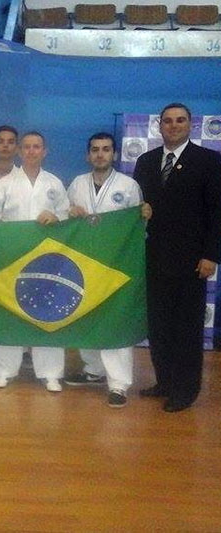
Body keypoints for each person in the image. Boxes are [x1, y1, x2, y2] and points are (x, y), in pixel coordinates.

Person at [134, 103, 221, 412]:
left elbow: (217, 212)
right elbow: (136, 207)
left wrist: (211, 255)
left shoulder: (209, 161)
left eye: (180, 120)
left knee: (186, 328)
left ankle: (185, 391)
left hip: (191, 261)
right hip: (153, 258)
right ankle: (165, 381)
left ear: (190, 125)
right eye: (168, 121)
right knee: (159, 326)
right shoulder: (145, 162)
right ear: (159, 126)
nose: (173, 125)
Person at [0, 131, 69, 392]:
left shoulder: (54, 183)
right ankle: (3, 370)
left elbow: (67, 215)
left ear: (44, 151)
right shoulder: (5, 184)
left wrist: (58, 217)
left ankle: (50, 373)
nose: (31, 151)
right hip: (11, 257)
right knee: (9, 311)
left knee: (47, 312)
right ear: (19, 151)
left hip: (46, 259)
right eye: (26, 147)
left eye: (36, 147)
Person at [65, 132, 151, 408]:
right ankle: (94, 370)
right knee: (86, 315)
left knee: (115, 322)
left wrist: (144, 215)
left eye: (105, 149)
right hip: (85, 261)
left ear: (114, 154)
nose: (100, 154)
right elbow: (67, 220)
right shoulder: (77, 184)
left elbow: (137, 226)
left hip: (117, 263)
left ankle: (119, 384)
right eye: (95, 149)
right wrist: (71, 213)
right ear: (87, 155)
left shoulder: (128, 185)